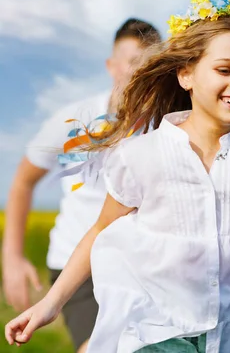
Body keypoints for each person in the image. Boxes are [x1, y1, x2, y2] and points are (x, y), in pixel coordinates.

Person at [5, 0, 230, 353]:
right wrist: (50, 304)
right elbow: (100, 231)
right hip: (155, 333)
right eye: (224, 70)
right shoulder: (141, 155)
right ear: (186, 75)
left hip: (226, 337)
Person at [2, 18, 162, 353]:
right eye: (133, 63)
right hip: (77, 267)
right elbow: (23, 182)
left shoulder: (169, 124)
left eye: (151, 64)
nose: (140, 73)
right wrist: (12, 257)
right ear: (111, 65)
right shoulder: (73, 117)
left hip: (143, 267)